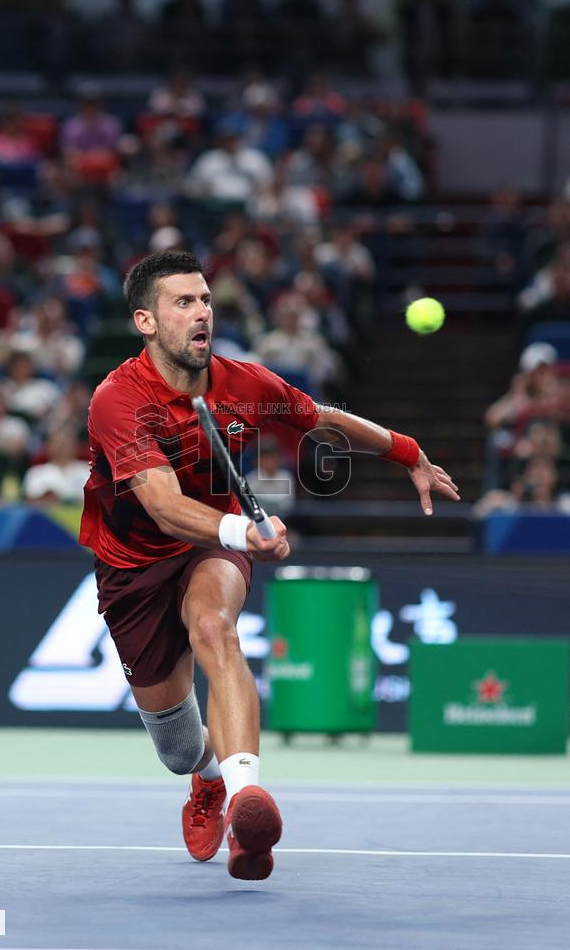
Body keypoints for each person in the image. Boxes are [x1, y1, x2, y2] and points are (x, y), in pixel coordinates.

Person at [79, 250, 459, 881]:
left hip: (213, 549)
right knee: (176, 748)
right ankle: (205, 777)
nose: (202, 312)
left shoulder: (246, 387)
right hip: (136, 564)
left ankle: (245, 797)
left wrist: (408, 452)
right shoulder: (117, 401)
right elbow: (165, 506)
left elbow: (322, 419)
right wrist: (244, 529)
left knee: (214, 627)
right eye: (183, 302)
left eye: (205, 299)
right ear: (146, 322)